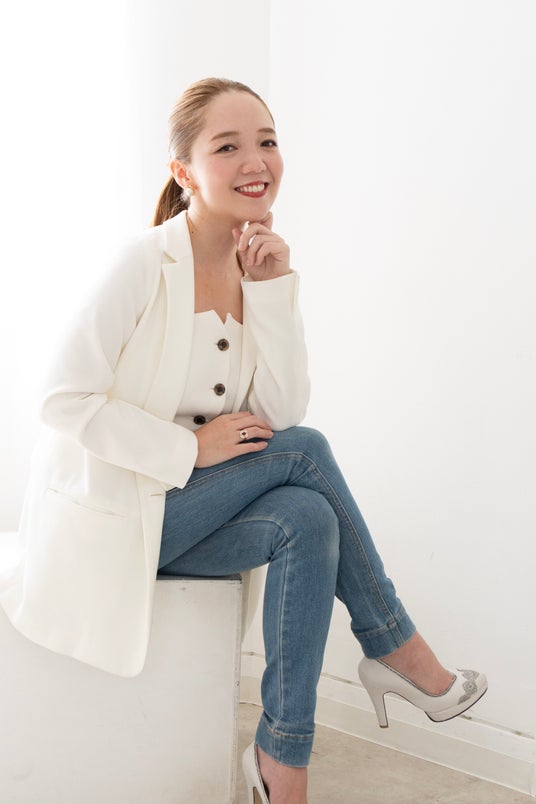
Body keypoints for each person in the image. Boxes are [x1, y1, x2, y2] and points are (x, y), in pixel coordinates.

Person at [0, 77, 487, 803]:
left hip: (181, 519)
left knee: (308, 515)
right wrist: (190, 450)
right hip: (116, 518)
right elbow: (61, 398)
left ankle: (281, 765)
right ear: (184, 171)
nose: (255, 161)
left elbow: (280, 410)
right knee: (305, 451)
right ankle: (394, 645)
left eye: (267, 141)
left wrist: (273, 289)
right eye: (227, 146)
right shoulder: (145, 262)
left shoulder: (256, 265)